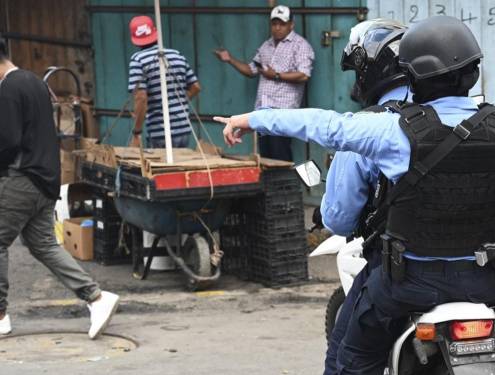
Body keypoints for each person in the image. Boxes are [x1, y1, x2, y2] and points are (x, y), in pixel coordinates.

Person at [215, 16, 495, 375]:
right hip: (485, 280)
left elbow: (325, 126)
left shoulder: (393, 131)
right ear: (473, 72)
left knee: (354, 360)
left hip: (408, 285)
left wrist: (249, 119)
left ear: (415, 76)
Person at [315, 19, 409, 375]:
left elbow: (337, 216)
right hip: (482, 272)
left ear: (371, 67)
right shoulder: (482, 122)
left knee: (347, 359)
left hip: (400, 276)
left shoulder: (368, 129)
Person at [0, 35, 120, 339]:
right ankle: (97, 297)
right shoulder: (35, 82)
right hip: (46, 180)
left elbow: (9, 140)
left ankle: (0, 315)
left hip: (23, 178)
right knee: (43, 245)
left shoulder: (10, 88)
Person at [214, 5, 314, 161]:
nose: (277, 28)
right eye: (274, 24)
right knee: (266, 157)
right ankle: (271, 186)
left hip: (283, 112)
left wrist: (275, 75)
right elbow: (251, 70)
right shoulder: (266, 46)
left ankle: (286, 186)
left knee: (280, 155)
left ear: (291, 25)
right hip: (262, 111)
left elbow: (304, 75)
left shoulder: (300, 45)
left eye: (282, 24)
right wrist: (229, 59)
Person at [127, 15, 201, 149]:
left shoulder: (138, 60)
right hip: (184, 129)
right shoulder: (176, 55)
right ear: (154, 32)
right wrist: (176, 102)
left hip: (159, 132)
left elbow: (141, 97)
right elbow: (195, 87)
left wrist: (137, 132)